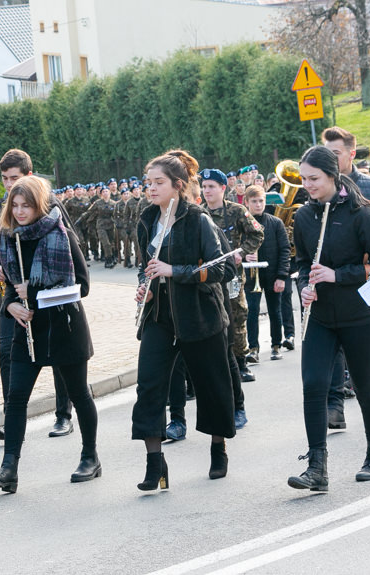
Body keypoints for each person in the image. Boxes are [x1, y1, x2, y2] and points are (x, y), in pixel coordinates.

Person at [0, 175, 100, 493]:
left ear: (40, 205)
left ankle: (90, 457)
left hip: (64, 326)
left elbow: (82, 285)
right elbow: (9, 287)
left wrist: (33, 293)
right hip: (29, 328)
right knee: (16, 397)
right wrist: (11, 306)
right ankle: (9, 469)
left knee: (78, 394)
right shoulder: (7, 238)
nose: (20, 211)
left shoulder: (58, 233)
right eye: (15, 205)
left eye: (27, 206)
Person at [288, 146, 370, 491]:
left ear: (332, 175)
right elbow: (302, 263)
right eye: (303, 179)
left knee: (365, 387)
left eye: (313, 178)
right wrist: (304, 286)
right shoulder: (303, 217)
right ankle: (317, 466)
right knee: (313, 385)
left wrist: (338, 276)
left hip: (359, 315)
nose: (307, 185)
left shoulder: (362, 213)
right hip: (319, 316)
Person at [133, 150, 235, 489]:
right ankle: (154, 464)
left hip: (199, 315)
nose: (151, 189)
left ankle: (218, 449)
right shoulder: (147, 219)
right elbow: (144, 268)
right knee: (148, 386)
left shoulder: (198, 220)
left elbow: (223, 267)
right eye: (148, 183)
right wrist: (144, 287)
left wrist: (175, 271)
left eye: (158, 183)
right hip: (159, 317)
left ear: (178, 185)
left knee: (212, 387)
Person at [0, 150, 75, 441]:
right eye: (4, 179)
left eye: (14, 178)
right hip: (15, 298)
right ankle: (11, 418)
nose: (8, 184)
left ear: (29, 176)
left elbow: (69, 254)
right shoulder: (4, 207)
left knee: (57, 356)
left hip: (48, 297)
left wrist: (41, 284)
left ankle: (64, 414)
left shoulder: (50, 205)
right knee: (6, 354)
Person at [322, 127, 370, 425]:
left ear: (351, 154)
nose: (329, 159)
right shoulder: (319, 185)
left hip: (368, 277)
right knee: (335, 340)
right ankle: (336, 408)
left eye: (336, 154)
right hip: (334, 279)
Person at [203, 167, 264, 383]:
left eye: (211, 187)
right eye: (204, 187)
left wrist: (242, 251)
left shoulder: (237, 211)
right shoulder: (199, 214)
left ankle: (241, 362)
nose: (207, 191)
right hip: (208, 279)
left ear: (222, 188)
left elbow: (257, 233)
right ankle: (218, 363)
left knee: (237, 315)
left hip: (232, 277)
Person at [244, 185, 289, 361]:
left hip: (272, 274)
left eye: (261, 201)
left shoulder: (275, 223)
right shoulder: (242, 223)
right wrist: (244, 254)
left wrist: (281, 276)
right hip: (250, 276)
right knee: (252, 311)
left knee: (274, 311)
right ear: (246, 203)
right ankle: (253, 348)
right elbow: (234, 247)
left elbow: (285, 250)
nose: (258, 204)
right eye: (254, 201)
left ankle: (276, 345)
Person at [77, 186, 118, 268]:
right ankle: (108, 260)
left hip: (110, 225)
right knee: (106, 243)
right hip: (101, 225)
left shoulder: (114, 203)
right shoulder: (97, 203)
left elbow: (118, 215)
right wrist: (80, 219)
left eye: (107, 191)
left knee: (111, 243)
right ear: (101, 194)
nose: (105, 193)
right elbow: (89, 212)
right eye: (103, 192)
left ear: (109, 193)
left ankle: (112, 257)